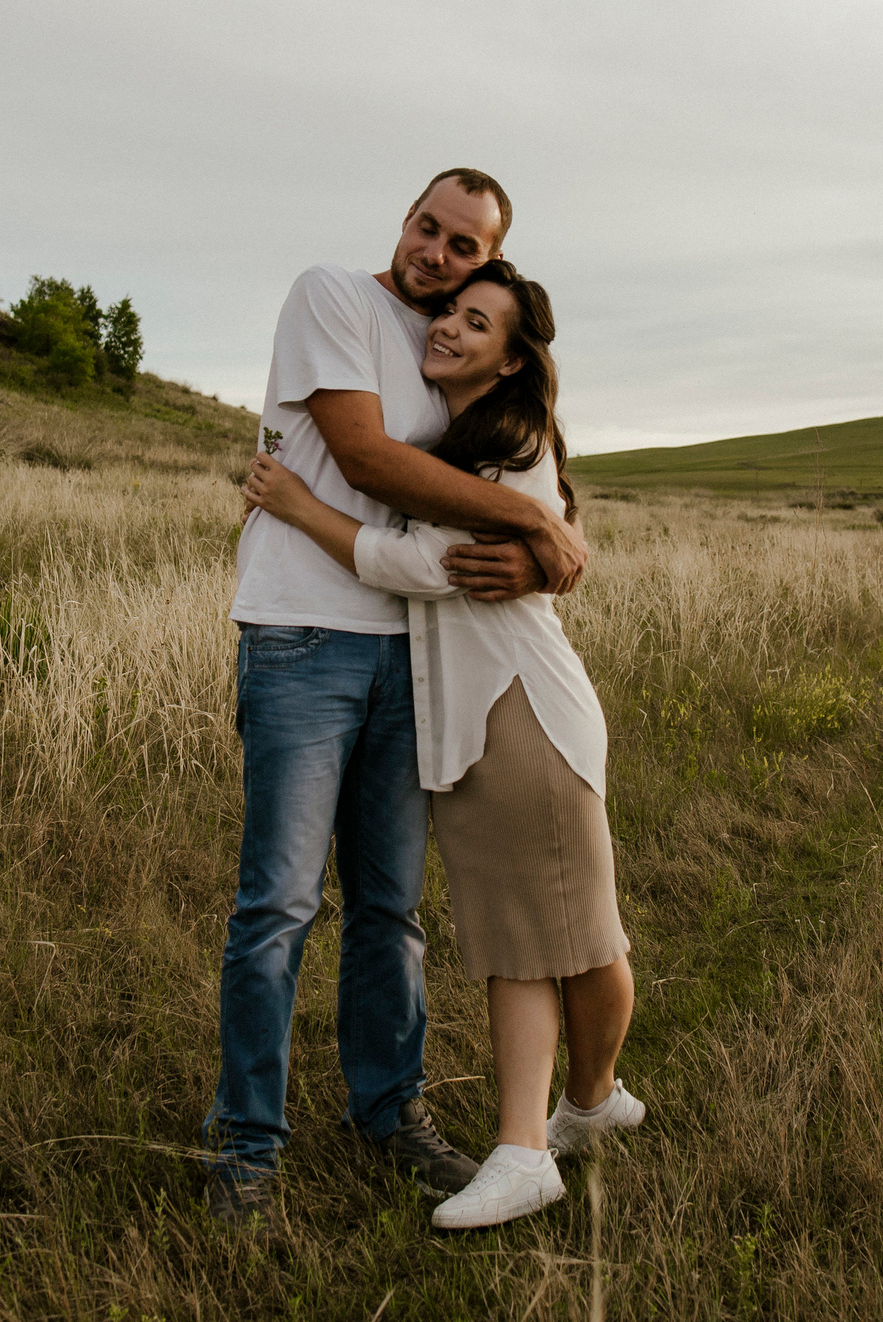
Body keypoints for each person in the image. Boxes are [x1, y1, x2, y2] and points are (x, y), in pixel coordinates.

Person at [206, 170, 593, 1227]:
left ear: (487, 263)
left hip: (412, 652)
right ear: (406, 222)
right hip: (302, 635)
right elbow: (370, 460)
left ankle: (389, 1111)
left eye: (464, 247)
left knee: (390, 907)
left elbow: (498, 493)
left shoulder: (447, 357)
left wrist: (534, 544)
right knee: (280, 902)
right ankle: (247, 1145)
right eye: (429, 227)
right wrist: (538, 531)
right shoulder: (332, 295)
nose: (436, 253)